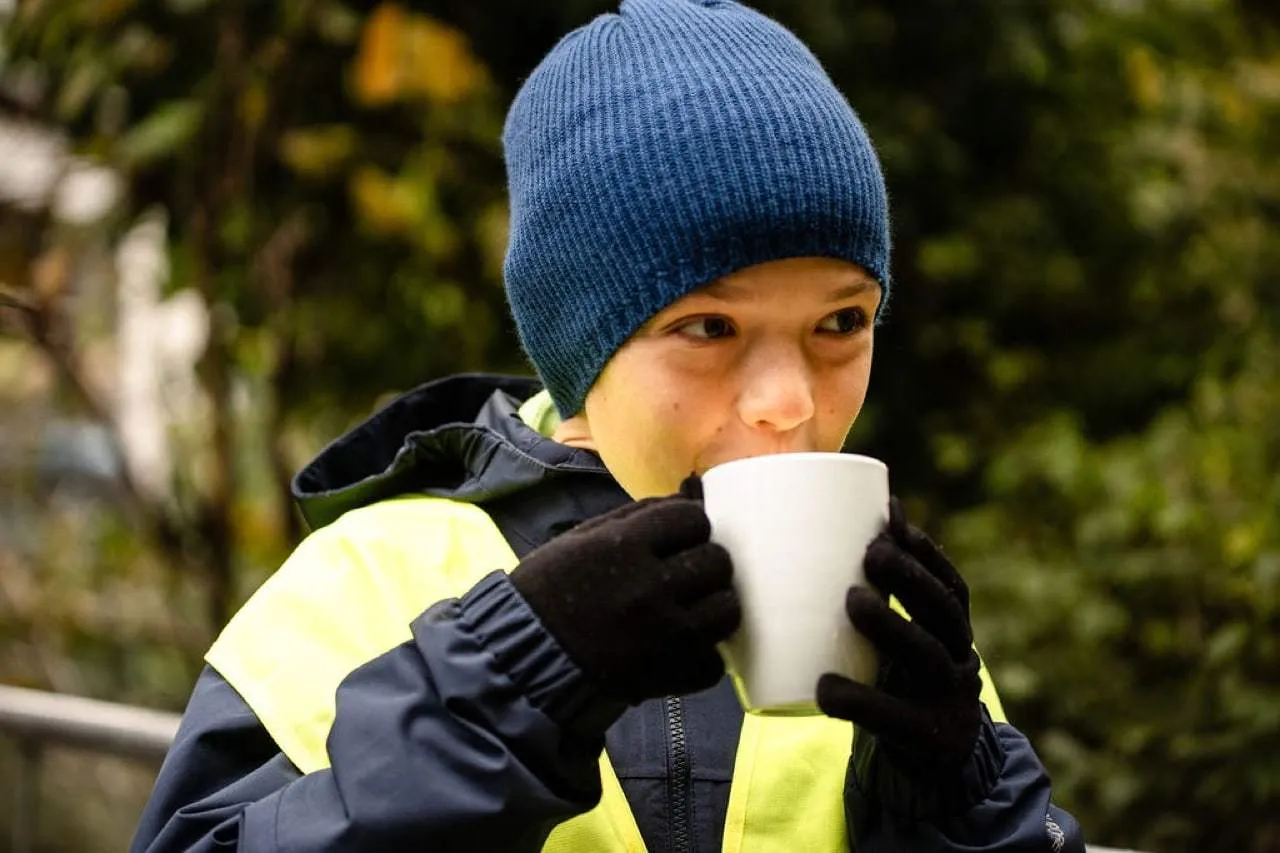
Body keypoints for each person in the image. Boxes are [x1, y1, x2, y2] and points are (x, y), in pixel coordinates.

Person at [132, 1, 1085, 850]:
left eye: (841, 321)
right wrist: (514, 679)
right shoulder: (364, 582)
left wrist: (964, 799)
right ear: (581, 345)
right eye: (709, 327)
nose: (789, 399)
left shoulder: (886, 614)